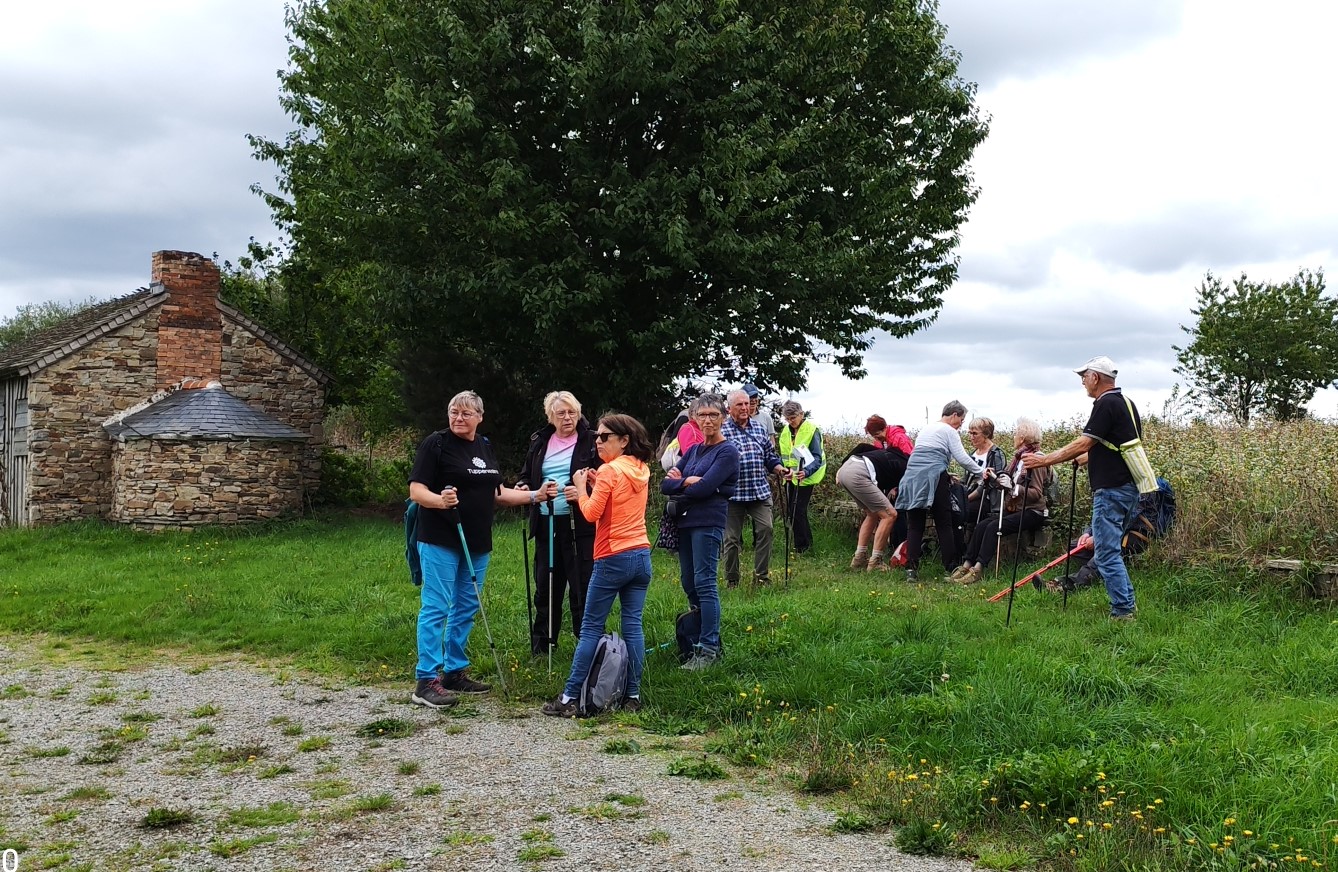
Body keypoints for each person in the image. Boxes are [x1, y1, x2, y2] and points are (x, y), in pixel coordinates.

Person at [408, 390, 554, 709]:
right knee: (437, 606)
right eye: (454, 412)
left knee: (466, 606)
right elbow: (417, 490)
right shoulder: (437, 443)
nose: (459, 418)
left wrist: (536, 496)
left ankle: (454, 672)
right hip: (439, 537)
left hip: (476, 540)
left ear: (479, 417)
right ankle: (426, 679)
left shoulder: (484, 446)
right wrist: (439, 500)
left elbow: (498, 493)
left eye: (465, 413)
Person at [542, 414, 654, 716]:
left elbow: (591, 513)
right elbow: (617, 501)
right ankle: (632, 695)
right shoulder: (640, 468)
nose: (597, 442)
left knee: (591, 627)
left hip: (611, 555)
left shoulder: (608, 470)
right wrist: (595, 483)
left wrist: (581, 486)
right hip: (640, 553)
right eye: (596, 437)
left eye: (604, 437)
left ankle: (568, 698)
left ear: (624, 440)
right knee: (633, 626)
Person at [1021, 356, 1143, 620]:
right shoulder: (1127, 404)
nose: (1083, 382)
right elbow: (1118, 445)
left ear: (1096, 377)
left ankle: (1123, 612)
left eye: (1084, 377)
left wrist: (1043, 460)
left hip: (1111, 490)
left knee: (1107, 551)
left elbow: (1084, 442)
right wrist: (1089, 459)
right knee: (1109, 549)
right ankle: (1127, 604)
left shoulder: (1105, 403)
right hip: (1129, 487)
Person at [515, 391, 600, 657]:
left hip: (580, 524)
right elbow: (527, 474)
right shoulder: (540, 441)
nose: (567, 418)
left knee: (581, 586)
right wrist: (525, 486)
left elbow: (604, 478)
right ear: (550, 416)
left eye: (572, 412)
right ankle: (542, 647)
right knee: (546, 585)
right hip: (546, 521)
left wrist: (585, 487)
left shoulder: (592, 440)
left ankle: (586, 645)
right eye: (561, 413)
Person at [661, 395, 739, 669]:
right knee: (688, 582)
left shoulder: (727, 452)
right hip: (685, 521)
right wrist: (688, 482)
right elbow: (664, 485)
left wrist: (684, 483)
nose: (708, 420)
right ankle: (698, 639)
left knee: (705, 583)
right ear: (694, 418)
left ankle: (709, 648)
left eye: (713, 415)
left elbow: (705, 489)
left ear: (723, 418)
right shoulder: (693, 451)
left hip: (708, 522)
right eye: (702, 415)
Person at [893, 400, 985, 582]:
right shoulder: (949, 431)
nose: (961, 424)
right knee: (944, 520)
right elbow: (962, 458)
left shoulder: (927, 429)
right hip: (933, 477)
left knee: (915, 523)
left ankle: (911, 569)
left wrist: (945, 471)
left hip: (912, 476)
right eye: (962, 419)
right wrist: (982, 473)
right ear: (954, 415)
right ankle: (950, 566)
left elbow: (924, 457)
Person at [952, 417, 1051, 585]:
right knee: (983, 524)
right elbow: (1005, 477)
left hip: (1033, 511)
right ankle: (967, 564)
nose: (1013, 437)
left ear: (1023, 438)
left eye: (1016, 434)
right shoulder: (1018, 459)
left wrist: (1013, 488)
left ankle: (978, 569)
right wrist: (993, 477)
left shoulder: (1036, 460)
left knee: (993, 527)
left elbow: (1036, 493)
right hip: (1016, 508)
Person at [722, 389, 787, 587]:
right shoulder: (722, 432)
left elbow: (770, 456)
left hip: (759, 491)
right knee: (732, 539)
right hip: (733, 495)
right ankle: (732, 580)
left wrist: (779, 468)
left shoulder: (759, 429)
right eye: (739, 405)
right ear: (729, 408)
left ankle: (761, 577)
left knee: (766, 530)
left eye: (747, 404)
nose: (745, 408)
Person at [836, 443, 909, 571]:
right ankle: (876, 561)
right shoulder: (906, 466)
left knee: (872, 513)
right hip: (858, 473)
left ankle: (859, 558)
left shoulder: (889, 457)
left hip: (846, 470)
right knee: (890, 515)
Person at [777, 400, 826, 555]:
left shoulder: (812, 429)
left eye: (793, 418)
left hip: (806, 476)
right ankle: (803, 544)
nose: (791, 422)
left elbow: (817, 457)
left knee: (798, 509)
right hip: (790, 476)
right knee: (793, 510)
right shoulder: (786, 431)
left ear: (801, 414)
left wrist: (806, 471)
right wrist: (784, 469)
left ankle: (802, 547)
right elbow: (784, 454)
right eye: (788, 419)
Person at [959, 417, 1007, 542]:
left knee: (961, 512)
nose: (971, 437)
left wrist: (966, 499)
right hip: (970, 495)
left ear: (986, 434)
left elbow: (992, 483)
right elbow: (966, 478)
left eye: (975, 433)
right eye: (969, 433)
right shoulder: (973, 453)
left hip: (987, 499)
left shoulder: (996, 454)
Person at [742, 383, 777, 447]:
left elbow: (772, 441)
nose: (753, 400)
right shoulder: (739, 418)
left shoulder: (766, 417)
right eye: (750, 397)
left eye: (755, 397)